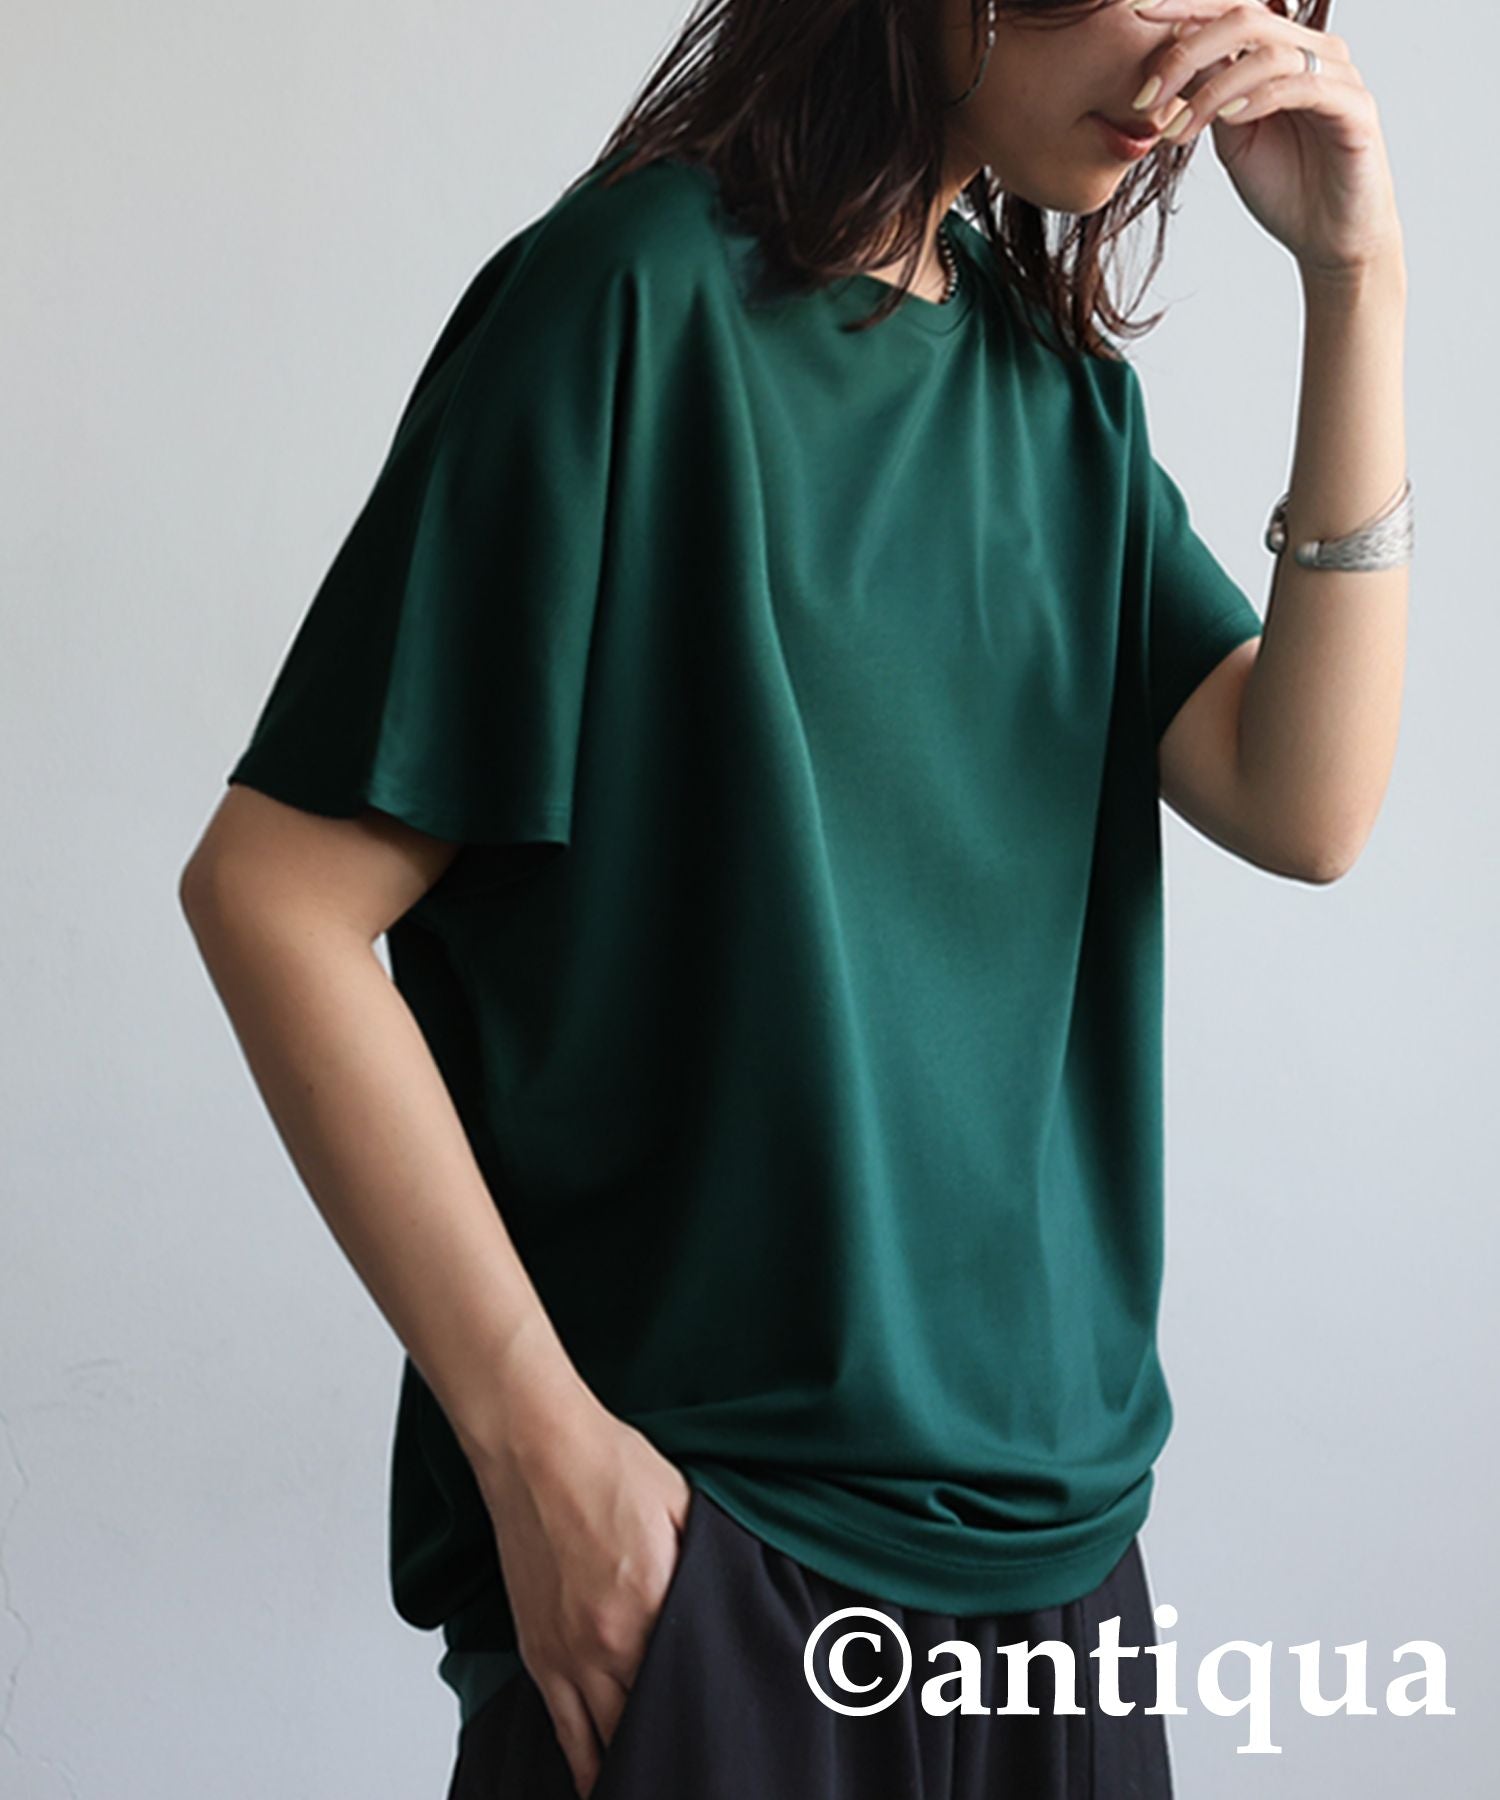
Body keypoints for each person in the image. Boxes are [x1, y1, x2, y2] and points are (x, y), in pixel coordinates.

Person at [179, 0, 1410, 1795]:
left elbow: (1307, 803)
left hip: (1060, 1574)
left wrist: (1356, 282)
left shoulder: (1053, 389)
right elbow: (275, 897)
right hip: (713, 1563)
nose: (1195, 44)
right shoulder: (635, 297)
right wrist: (543, 1459)